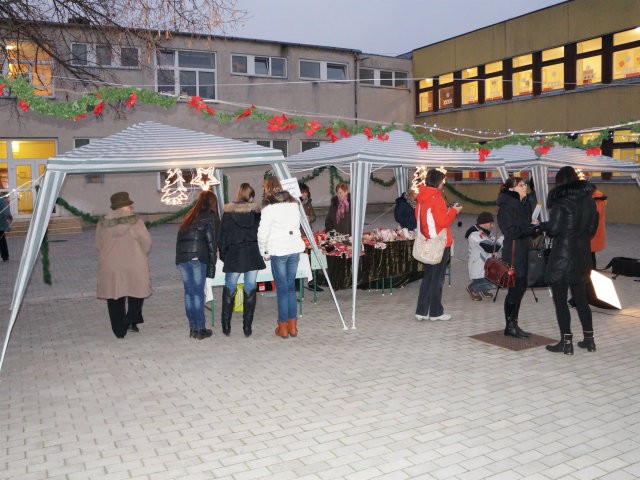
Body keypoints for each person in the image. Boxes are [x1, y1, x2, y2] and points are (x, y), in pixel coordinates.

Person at [542, 166, 599, 354]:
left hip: (563, 257)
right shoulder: (590, 201)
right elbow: (592, 230)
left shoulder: (562, 202)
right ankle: (589, 340)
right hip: (582, 256)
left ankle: (566, 342)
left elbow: (553, 229)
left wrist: (543, 225)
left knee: (560, 301)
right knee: (581, 299)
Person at [96, 192, 151, 338]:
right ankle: (130, 319)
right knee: (137, 292)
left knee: (114, 296)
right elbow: (146, 241)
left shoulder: (102, 222)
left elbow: (99, 244)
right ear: (126, 205)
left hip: (110, 265)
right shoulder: (136, 221)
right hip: (134, 262)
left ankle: (119, 330)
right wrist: (140, 254)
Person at [258, 176, 306, 339]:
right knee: (291, 288)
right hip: (294, 247)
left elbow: (263, 232)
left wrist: (264, 251)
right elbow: (297, 225)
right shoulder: (294, 203)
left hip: (278, 249)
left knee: (282, 289)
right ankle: (293, 327)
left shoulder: (268, 206)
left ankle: (283, 326)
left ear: (267, 188)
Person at [414, 168, 462, 321]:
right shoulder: (437, 197)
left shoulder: (421, 197)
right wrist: (453, 211)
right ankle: (435, 312)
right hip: (439, 244)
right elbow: (443, 221)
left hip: (427, 241)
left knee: (428, 277)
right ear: (438, 182)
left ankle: (421, 311)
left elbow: (420, 218)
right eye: (443, 180)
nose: (444, 183)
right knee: (437, 279)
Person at [218, 183, 265, 337]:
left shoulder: (228, 213)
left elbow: (222, 237)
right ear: (251, 197)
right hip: (252, 253)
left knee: (229, 288)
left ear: (239, 195)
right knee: (250, 288)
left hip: (234, 254)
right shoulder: (257, 214)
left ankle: (226, 326)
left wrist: (224, 255)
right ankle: (247, 327)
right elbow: (261, 234)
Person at [496, 176, 539, 338]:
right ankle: (510, 326)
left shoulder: (523, 204)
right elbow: (511, 231)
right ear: (511, 189)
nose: (524, 187)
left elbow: (523, 226)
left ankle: (514, 323)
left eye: (525, 184)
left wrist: (532, 225)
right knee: (515, 290)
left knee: (521, 288)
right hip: (514, 253)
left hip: (524, 250)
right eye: (520, 185)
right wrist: (530, 228)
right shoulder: (506, 207)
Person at [175, 190, 219, 340]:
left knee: (189, 293)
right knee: (198, 293)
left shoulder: (189, 215)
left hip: (183, 258)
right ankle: (200, 328)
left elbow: (179, 239)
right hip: (197, 258)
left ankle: (193, 328)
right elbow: (211, 244)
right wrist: (212, 266)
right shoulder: (209, 216)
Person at [464, 211, 503, 301]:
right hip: (478, 268)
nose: (492, 226)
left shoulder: (486, 233)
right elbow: (491, 248)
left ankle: (483, 289)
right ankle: (472, 288)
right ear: (484, 223)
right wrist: (503, 238)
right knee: (495, 283)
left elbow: (495, 244)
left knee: (495, 279)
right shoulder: (475, 235)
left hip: (487, 266)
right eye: (490, 223)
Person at [299, 182, 323, 292]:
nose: (305, 194)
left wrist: (309, 218)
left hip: (307, 234)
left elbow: (314, 216)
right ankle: (297, 283)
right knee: (298, 258)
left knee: (308, 258)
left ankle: (311, 282)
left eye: (306, 192)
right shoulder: (294, 203)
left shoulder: (308, 203)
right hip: (298, 235)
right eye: (303, 192)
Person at [0, 195, 13, 261]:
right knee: (2, 240)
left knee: (2, 240)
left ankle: (5, 256)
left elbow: (6, 211)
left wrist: (9, 218)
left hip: (1, 224)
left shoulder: (1, 200)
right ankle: (5, 256)